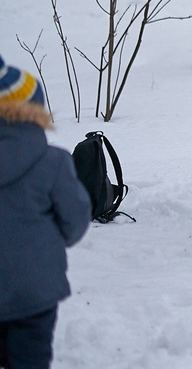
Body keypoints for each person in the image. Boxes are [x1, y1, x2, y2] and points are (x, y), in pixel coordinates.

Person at [1, 55, 91, 368]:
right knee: (30, 358)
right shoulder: (52, 163)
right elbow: (75, 219)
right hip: (33, 293)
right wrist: (49, 242)